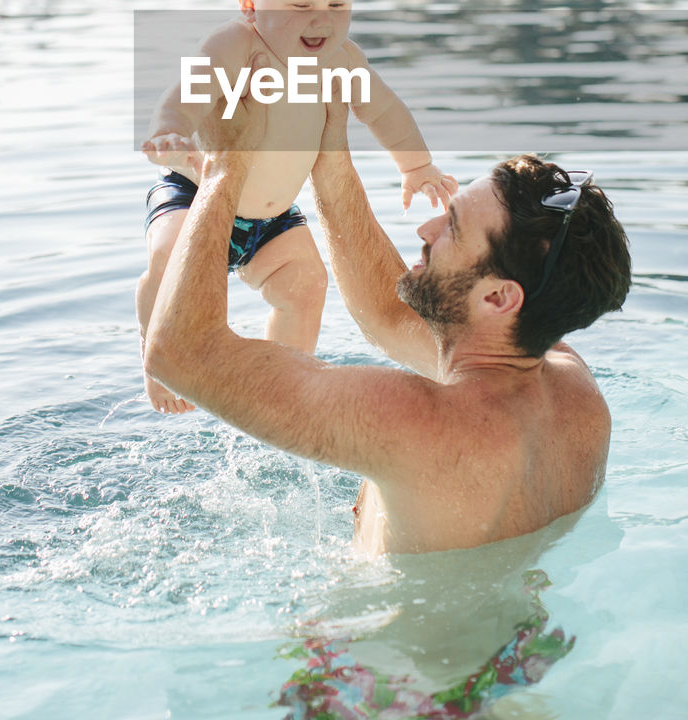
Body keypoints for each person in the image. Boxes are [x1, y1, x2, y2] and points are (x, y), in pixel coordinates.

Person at [144, 66, 631, 555]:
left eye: (453, 228)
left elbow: (178, 353)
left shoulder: (415, 421)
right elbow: (388, 312)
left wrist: (224, 166)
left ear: (498, 298)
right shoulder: (579, 398)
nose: (427, 229)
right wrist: (329, 148)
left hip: (381, 632)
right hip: (526, 631)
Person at [137, 0, 457, 414]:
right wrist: (169, 129)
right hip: (196, 194)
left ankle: (279, 398)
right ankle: (156, 357)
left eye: (336, 4)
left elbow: (386, 109)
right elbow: (186, 91)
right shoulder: (235, 45)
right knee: (167, 257)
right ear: (250, 5)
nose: (321, 20)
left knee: (307, 287)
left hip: (273, 219)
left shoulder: (343, 60)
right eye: (300, 5)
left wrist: (416, 167)